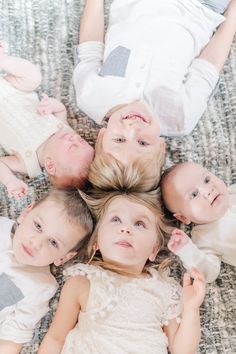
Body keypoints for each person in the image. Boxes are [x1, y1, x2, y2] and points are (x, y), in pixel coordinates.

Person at [73, 0, 236, 178]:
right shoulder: (180, 118)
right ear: (160, 147)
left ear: (102, 136)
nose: (132, 128)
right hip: (198, 7)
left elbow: (90, 47)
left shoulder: (92, 98)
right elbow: (208, 67)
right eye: (143, 143)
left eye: (119, 139)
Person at [38, 185, 205, 354]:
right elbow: (55, 338)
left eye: (139, 224)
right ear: (95, 241)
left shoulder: (165, 290)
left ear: (154, 249)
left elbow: (182, 350)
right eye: (116, 219)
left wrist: (192, 309)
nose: (125, 229)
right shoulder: (83, 282)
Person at [0, 187, 93, 354]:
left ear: (64, 258)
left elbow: (12, 338)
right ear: (26, 213)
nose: (36, 243)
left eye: (53, 243)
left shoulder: (40, 287)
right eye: (38, 226)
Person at [0, 42, 94, 199]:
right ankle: (3, 60)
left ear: (50, 165)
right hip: (14, 88)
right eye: (81, 140)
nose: (74, 138)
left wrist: (10, 181)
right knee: (33, 77)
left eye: (72, 147)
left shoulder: (28, 164)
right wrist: (51, 105)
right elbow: (61, 109)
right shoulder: (63, 130)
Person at [160, 161, 236, 283]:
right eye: (194, 194)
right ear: (183, 218)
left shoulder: (231, 192)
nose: (208, 191)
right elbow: (207, 273)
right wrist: (186, 250)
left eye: (206, 180)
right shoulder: (204, 237)